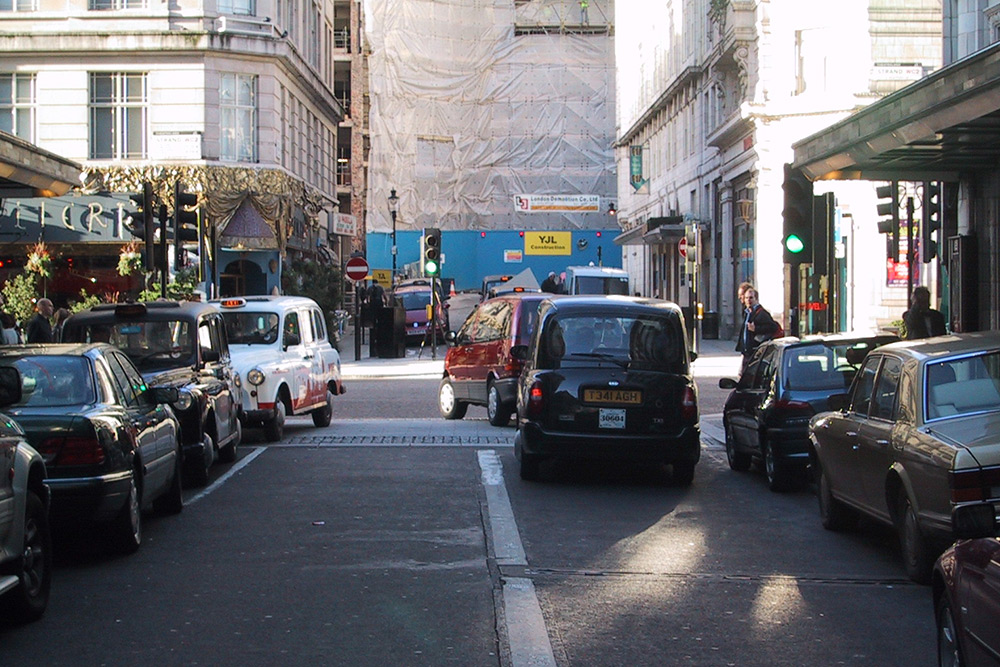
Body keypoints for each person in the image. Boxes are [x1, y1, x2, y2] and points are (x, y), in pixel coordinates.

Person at [735, 288, 778, 370]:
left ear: (756, 299)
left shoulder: (762, 313)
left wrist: (756, 329)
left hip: (756, 351)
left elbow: (773, 327)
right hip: (747, 351)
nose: (748, 300)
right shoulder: (747, 312)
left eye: (751, 298)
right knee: (742, 374)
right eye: (746, 298)